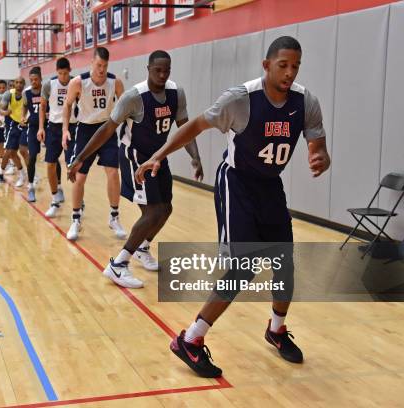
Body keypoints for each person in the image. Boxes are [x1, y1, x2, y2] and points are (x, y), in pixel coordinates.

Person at [135, 36, 331, 377]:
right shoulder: (241, 98)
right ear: (267, 65)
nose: (289, 72)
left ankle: (276, 330)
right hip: (237, 183)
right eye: (283, 65)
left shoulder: (305, 101)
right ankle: (190, 340)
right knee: (244, 265)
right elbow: (195, 124)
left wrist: (320, 156)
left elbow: (318, 142)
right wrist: (157, 156)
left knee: (285, 266)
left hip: (270, 186)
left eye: (295, 66)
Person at [68, 50, 204, 289]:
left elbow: (185, 128)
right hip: (134, 157)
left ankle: (142, 247)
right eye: (157, 70)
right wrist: (81, 157)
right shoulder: (134, 97)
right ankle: (118, 265)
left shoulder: (176, 93)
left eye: (166, 70)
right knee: (153, 211)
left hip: (157, 158)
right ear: (148, 69)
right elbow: (107, 130)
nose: (162, 75)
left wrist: (195, 157)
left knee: (166, 209)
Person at [62, 46, 126, 241]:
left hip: (107, 129)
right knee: (79, 177)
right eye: (98, 65)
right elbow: (67, 104)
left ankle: (114, 217)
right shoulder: (78, 82)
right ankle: (75, 218)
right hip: (85, 131)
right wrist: (65, 130)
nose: (101, 69)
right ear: (92, 62)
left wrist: (128, 129)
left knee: (113, 173)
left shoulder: (115, 82)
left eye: (105, 66)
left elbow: (125, 105)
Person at [38, 57, 78, 216]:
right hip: (54, 127)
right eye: (60, 73)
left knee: (72, 166)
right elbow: (42, 107)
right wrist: (41, 128)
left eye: (65, 73)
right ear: (57, 72)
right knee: (50, 164)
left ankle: (78, 199)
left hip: (73, 126)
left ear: (70, 70)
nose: (62, 76)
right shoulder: (49, 84)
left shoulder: (76, 83)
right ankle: (55, 199)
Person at [0, 77, 27, 186]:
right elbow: (0, 109)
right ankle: (3, 172)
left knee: (24, 152)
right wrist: (5, 113)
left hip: (26, 125)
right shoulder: (8, 94)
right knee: (10, 152)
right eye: (16, 82)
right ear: (14, 84)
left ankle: (32, 176)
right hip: (13, 124)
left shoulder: (26, 94)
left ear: (24, 84)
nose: (18, 84)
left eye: (21, 82)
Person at [22, 67, 43, 202]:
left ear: (41, 78)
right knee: (32, 156)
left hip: (48, 126)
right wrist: (23, 116)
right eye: (31, 80)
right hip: (33, 127)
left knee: (53, 159)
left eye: (36, 79)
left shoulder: (46, 89)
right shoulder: (27, 93)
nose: (34, 82)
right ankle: (30, 187)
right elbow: (24, 105)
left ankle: (58, 187)